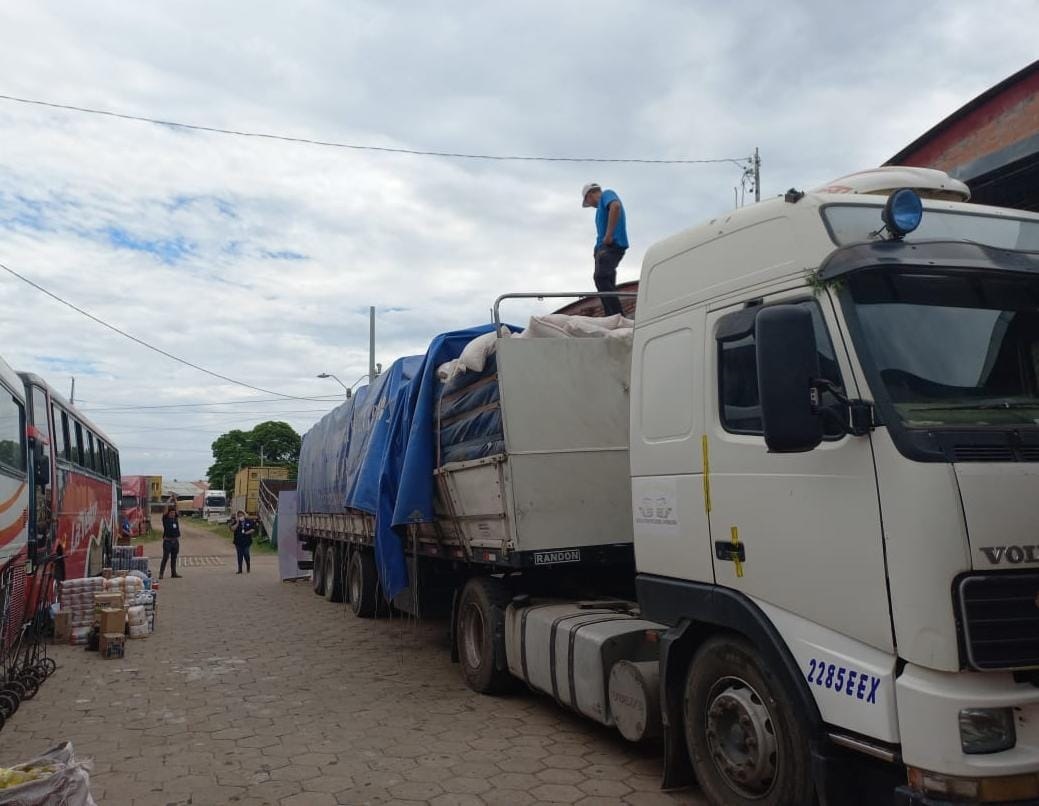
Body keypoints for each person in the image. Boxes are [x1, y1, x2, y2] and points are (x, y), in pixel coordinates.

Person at [582, 182, 628, 317]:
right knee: (608, 281)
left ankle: (615, 315)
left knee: (600, 278)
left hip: (610, 246)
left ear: (589, 196)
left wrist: (608, 235)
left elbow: (615, 206)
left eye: (588, 202)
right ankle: (614, 315)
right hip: (603, 249)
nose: (591, 205)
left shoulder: (607, 194)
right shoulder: (599, 211)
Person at [159, 505, 181, 579]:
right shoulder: (165, 519)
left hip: (175, 541)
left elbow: (177, 508)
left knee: (174, 558)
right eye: (171, 513)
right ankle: (161, 574)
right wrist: (169, 500)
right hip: (167, 542)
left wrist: (175, 499)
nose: (173, 514)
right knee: (165, 557)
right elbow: (165, 509)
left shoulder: (175, 519)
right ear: (168, 513)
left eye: (173, 513)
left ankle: (173, 573)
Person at [232, 510, 255, 574]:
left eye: (241, 515)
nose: (240, 516)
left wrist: (247, 532)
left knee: (246, 554)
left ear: (244, 515)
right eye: (239, 516)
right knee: (239, 555)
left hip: (247, 541)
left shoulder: (249, 521)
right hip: (238, 542)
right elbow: (232, 529)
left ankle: (248, 567)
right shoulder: (235, 522)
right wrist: (237, 522)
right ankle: (240, 569)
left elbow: (253, 529)